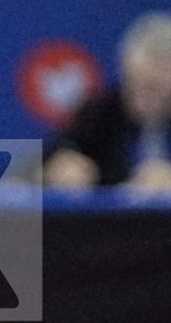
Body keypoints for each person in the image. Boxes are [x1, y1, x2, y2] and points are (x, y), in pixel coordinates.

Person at [44, 11, 171, 190]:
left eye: (155, 88)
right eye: (135, 86)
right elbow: (52, 158)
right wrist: (60, 168)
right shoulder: (99, 112)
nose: (144, 99)